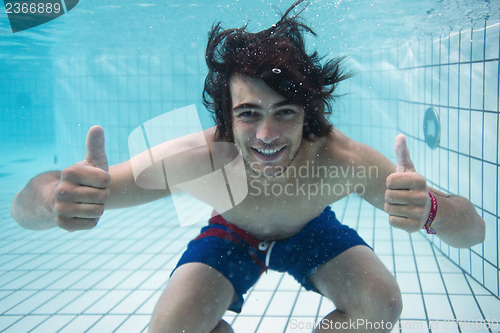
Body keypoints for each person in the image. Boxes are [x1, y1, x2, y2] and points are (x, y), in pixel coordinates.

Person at [11, 1, 485, 332]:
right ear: (225, 118)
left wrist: (434, 211)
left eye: (285, 113)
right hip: (232, 234)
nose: (267, 137)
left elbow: (475, 233)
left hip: (311, 232)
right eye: (248, 113)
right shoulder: (201, 158)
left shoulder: (342, 162)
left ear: (309, 114)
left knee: (380, 305)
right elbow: (24, 206)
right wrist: (55, 198)